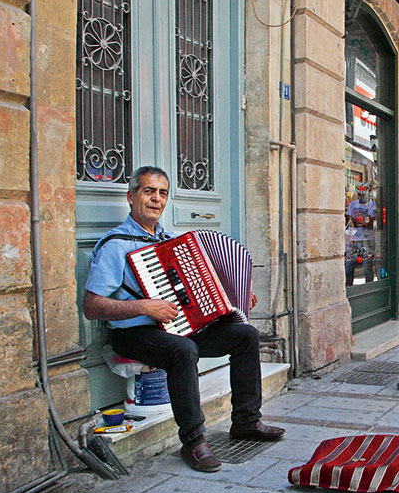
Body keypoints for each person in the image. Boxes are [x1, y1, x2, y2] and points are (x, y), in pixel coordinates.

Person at [83, 166, 284, 474]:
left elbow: (202, 288)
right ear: (131, 196)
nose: (156, 199)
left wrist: (237, 297)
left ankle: (246, 421)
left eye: (162, 193)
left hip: (176, 325)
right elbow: (92, 306)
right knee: (183, 351)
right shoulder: (116, 246)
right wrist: (145, 307)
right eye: (148, 191)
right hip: (135, 332)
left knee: (245, 335)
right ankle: (193, 441)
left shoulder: (172, 242)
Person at [345, 186, 378, 286]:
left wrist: (363, 222)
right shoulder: (352, 204)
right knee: (349, 266)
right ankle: (348, 288)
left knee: (367, 267)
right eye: (361, 193)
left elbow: (371, 221)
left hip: (367, 239)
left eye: (365, 193)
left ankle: (369, 288)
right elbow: (348, 219)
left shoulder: (372, 205)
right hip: (354, 239)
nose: (363, 195)